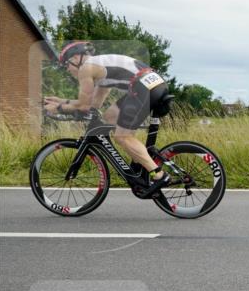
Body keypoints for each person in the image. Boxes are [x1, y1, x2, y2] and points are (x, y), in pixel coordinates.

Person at [44, 41, 172, 195]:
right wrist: (62, 101)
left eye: (66, 64)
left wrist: (58, 108)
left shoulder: (86, 68)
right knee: (110, 116)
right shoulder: (100, 68)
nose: (67, 69)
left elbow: (84, 106)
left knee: (122, 137)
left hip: (143, 86)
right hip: (151, 84)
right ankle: (138, 164)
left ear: (77, 58)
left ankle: (159, 175)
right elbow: (94, 104)